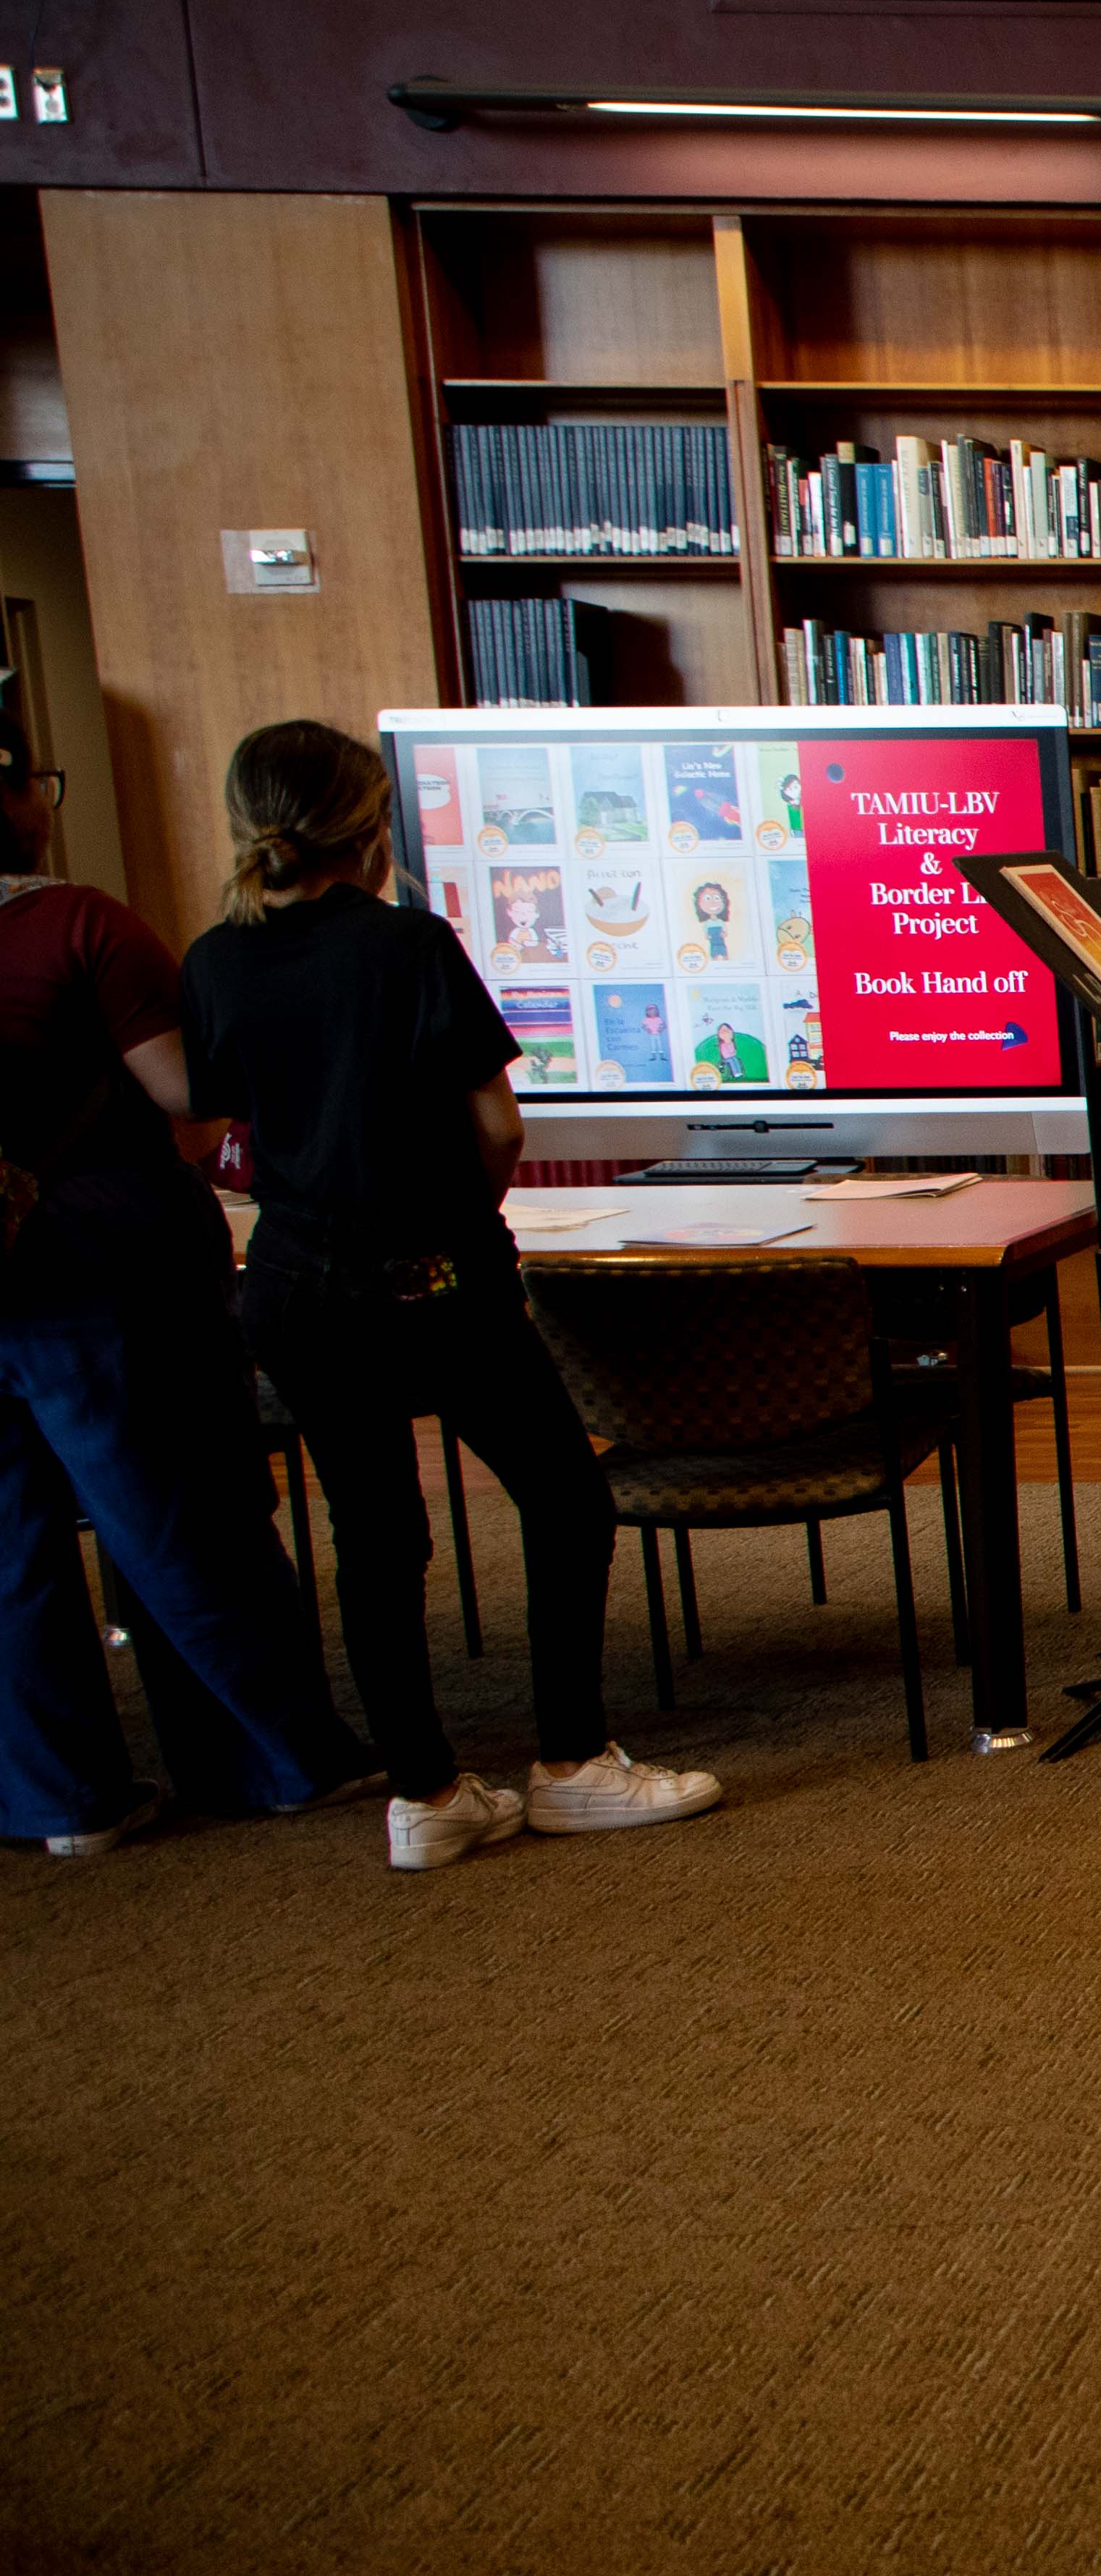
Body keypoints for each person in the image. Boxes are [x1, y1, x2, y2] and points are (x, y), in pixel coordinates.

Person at [177, 720, 718, 1869]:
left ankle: (424, 1799)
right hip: (434, 1278)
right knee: (565, 1498)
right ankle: (572, 1763)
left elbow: (221, 1113)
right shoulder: (407, 946)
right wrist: (467, 1211)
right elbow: (497, 1122)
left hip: (291, 1286)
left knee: (375, 1535)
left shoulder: (215, 959)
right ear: (371, 831)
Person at [0, 702, 374, 1855]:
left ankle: (64, 1802)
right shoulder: (75, 925)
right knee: (179, 1515)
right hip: (97, 1268)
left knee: (8, 1545)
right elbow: (184, 1092)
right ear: (13, 796)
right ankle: (275, 1764)